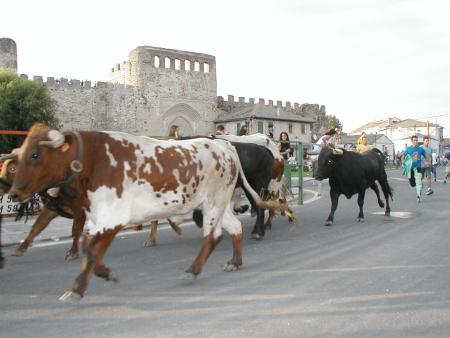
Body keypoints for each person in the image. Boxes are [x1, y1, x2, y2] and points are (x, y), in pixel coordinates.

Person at [403, 135, 428, 203]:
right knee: (412, 184)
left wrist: (427, 162)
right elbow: (403, 156)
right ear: (412, 141)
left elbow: (426, 156)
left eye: (417, 140)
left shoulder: (420, 149)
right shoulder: (408, 149)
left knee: (418, 183)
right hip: (410, 169)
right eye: (414, 140)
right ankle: (417, 186)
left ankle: (418, 196)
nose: (416, 141)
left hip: (418, 168)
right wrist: (403, 162)